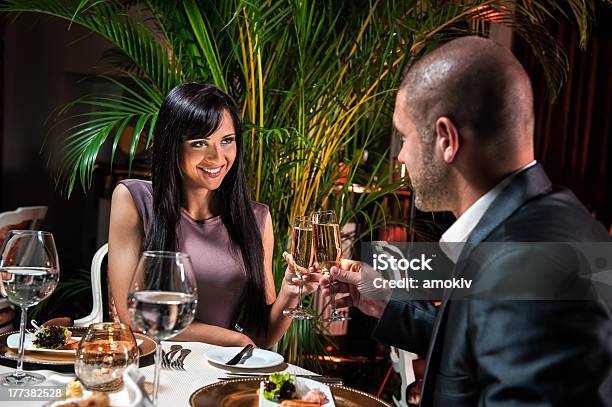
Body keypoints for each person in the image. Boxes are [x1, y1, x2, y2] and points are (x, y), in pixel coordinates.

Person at [321, 36, 612, 406]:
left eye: (405, 137)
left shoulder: (525, 265)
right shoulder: (549, 223)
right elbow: (484, 344)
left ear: (446, 139)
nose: (401, 158)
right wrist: (388, 301)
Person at [108, 82, 317, 348]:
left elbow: (262, 338)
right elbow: (132, 317)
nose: (217, 156)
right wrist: (231, 339)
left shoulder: (257, 218)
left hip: (222, 376)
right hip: (154, 368)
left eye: (227, 140)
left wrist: (291, 288)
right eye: (199, 143)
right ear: (172, 145)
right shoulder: (134, 199)